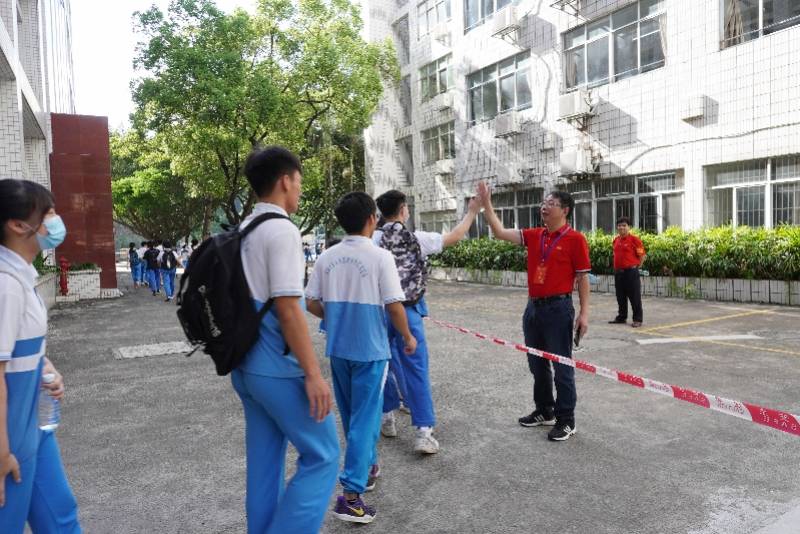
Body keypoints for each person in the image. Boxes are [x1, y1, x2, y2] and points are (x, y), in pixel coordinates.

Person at [231, 146, 339, 534]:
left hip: (245, 367)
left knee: (264, 464)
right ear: (285, 180)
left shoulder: (244, 230)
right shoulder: (282, 230)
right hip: (277, 369)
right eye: (299, 183)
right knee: (324, 455)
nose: (300, 191)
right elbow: (289, 308)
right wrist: (313, 373)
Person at [306, 192, 417, 524]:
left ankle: (367, 467)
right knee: (365, 420)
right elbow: (394, 305)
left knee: (354, 418)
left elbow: (311, 302)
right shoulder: (380, 257)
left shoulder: (327, 257)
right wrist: (409, 337)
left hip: (339, 349)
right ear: (372, 219)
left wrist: (335, 318)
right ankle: (351, 496)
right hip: (371, 351)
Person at [478, 182, 590, 442]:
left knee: (562, 366)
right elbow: (499, 232)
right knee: (536, 363)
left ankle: (566, 420)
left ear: (565, 210)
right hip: (534, 308)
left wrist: (584, 314)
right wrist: (486, 204)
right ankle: (545, 410)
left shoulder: (575, 240)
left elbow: (583, 278)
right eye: (544, 203)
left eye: (551, 204)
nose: (544, 207)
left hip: (559, 308)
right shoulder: (534, 235)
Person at [0, 178, 82, 532]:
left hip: (32, 424)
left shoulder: (21, 276)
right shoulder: (5, 283)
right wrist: (2, 451)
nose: (55, 221)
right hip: (10, 436)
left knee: (60, 514)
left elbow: (20, 344)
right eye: (48, 213)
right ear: (18, 225)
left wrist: (45, 367)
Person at [374, 188, 481, 454]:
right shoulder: (416, 238)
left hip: (378, 312)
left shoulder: (372, 239)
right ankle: (423, 432)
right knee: (416, 369)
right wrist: (472, 211)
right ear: (402, 210)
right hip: (408, 310)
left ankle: (387, 416)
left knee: (383, 364)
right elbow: (455, 236)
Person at [609, 217, 646, 328]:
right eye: (619, 225)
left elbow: (642, 256)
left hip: (631, 273)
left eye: (624, 225)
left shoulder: (635, 240)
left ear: (629, 227)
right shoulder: (615, 240)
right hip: (618, 273)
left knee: (634, 297)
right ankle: (622, 317)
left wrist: (635, 267)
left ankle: (637, 319)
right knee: (620, 296)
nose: (621, 227)